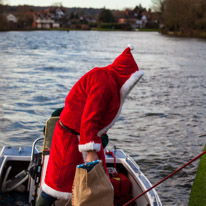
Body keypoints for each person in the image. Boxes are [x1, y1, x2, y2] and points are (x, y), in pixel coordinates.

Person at [36, 45, 144, 205]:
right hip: (70, 138)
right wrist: (91, 151)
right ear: (127, 77)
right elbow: (90, 117)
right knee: (56, 184)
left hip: (84, 137)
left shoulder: (109, 80)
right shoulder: (104, 82)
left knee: (95, 182)